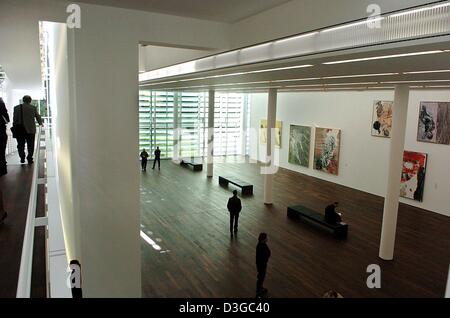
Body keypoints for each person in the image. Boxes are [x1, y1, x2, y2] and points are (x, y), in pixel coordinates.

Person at [13, 95, 43, 164]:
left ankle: (22, 157)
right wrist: (40, 123)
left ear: (23, 100)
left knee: (20, 145)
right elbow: (38, 117)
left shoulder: (16, 108)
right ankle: (29, 158)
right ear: (30, 100)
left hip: (20, 130)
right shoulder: (33, 108)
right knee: (31, 145)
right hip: (30, 130)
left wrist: (15, 127)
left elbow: (15, 119)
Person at [256, 232, 271, 297]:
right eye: (266, 238)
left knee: (262, 277)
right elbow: (262, 256)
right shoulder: (260, 246)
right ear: (263, 239)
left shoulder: (262, 244)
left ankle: (260, 288)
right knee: (261, 277)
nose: (267, 239)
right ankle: (258, 292)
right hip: (261, 265)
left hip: (263, 264)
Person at [0, 97, 9, 176]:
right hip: (1, 131)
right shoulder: (1, 103)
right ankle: (2, 170)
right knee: (2, 151)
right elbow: (7, 119)